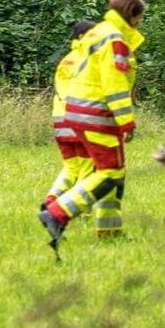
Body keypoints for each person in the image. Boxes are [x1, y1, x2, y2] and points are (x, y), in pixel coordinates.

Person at [38, 0, 147, 248]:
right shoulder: (114, 39)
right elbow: (114, 84)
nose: (141, 22)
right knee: (110, 172)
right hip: (99, 113)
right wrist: (126, 121)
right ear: (132, 14)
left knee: (110, 171)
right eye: (141, 17)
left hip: (78, 110)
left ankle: (110, 231)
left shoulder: (96, 32)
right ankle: (57, 213)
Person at [45, 19, 98, 209]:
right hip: (78, 118)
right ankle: (81, 209)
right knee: (87, 167)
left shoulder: (66, 60)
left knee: (71, 167)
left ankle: (51, 200)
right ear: (83, 36)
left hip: (60, 118)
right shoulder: (87, 60)